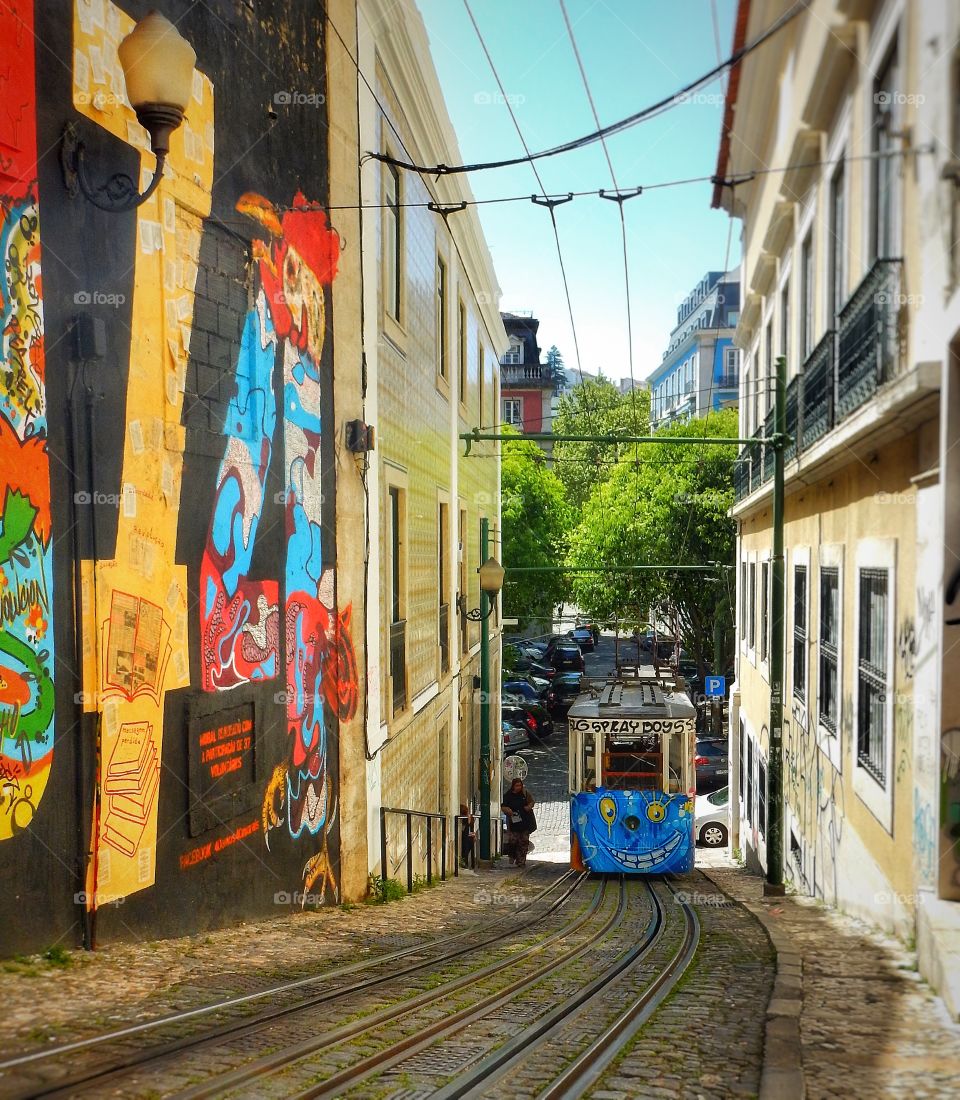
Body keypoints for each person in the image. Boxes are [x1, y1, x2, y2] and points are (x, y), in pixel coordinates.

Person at [500, 778, 535, 868]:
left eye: (520, 785)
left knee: (523, 842)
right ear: (513, 786)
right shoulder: (508, 795)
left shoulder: (525, 793)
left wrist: (528, 807)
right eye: (516, 786)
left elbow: (531, 802)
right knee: (513, 841)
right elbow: (503, 806)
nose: (518, 788)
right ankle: (512, 856)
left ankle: (521, 861)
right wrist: (508, 810)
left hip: (525, 821)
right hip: (513, 822)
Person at [459, 803, 476, 868]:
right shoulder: (465, 819)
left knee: (468, 842)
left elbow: (468, 830)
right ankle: (465, 862)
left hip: (467, 837)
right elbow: (465, 830)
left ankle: (466, 862)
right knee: (467, 844)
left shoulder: (467, 819)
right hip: (465, 837)